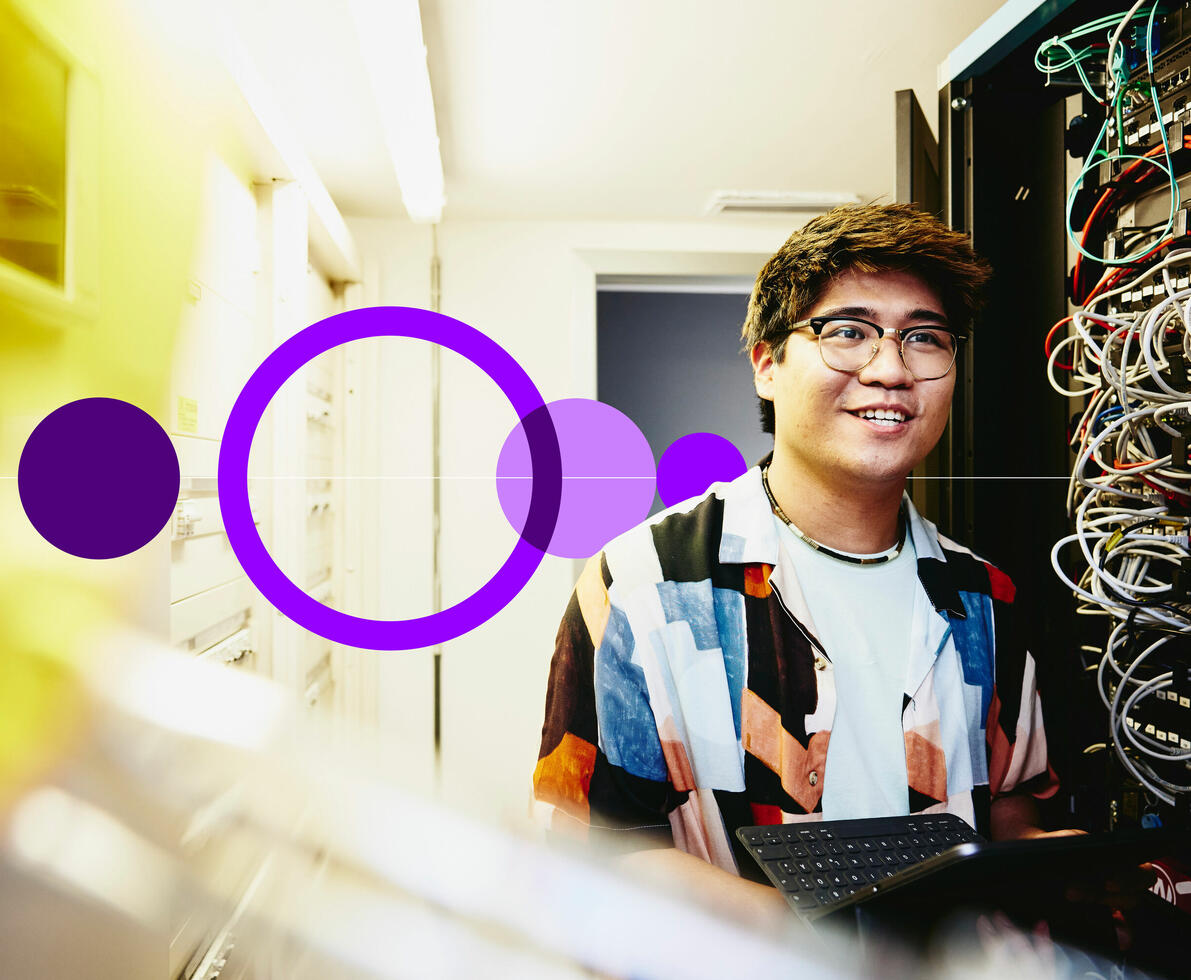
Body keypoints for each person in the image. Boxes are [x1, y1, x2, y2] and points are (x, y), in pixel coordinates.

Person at [531, 203, 1060, 919]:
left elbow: (1013, 804)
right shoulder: (642, 585)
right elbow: (589, 851)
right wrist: (809, 942)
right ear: (766, 366)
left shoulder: (983, 598)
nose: (889, 370)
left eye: (924, 339)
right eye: (847, 332)